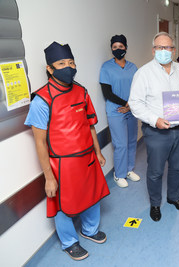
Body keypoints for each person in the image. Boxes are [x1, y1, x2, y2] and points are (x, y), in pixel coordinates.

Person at [24, 42, 110, 260]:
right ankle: (69, 242)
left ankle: (90, 230)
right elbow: (40, 142)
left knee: (93, 195)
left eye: (71, 62)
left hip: (88, 157)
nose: (68, 67)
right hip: (62, 164)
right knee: (63, 205)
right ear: (50, 69)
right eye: (61, 63)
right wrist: (49, 177)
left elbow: (90, 125)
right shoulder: (42, 99)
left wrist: (98, 152)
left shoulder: (82, 91)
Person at [129, 32, 179, 222]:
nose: (164, 51)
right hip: (156, 131)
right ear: (153, 50)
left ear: (174, 50)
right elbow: (135, 103)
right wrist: (154, 119)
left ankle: (174, 197)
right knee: (156, 171)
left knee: (178, 167)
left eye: (168, 47)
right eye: (160, 47)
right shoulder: (144, 73)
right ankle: (155, 204)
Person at [99, 34, 140, 188]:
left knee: (131, 141)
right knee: (120, 143)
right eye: (115, 47)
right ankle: (119, 174)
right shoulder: (106, 67)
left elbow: (138, 88)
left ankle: (129, 170)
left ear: (126, 48)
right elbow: (107, 93)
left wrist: (130, 105)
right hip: (115, 111)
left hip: (131, 110)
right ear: (111, 49)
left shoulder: (133, 67)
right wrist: (125, 103)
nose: (118, 49)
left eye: (121, 47)